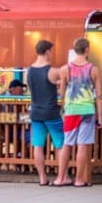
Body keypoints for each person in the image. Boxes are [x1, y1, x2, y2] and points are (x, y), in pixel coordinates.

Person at [54, 37, 102, 188]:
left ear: (74, 49)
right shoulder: (94, 69)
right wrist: (100, 117)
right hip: (88, 110)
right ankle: (79, 179)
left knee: (67, 144)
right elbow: (99, 95)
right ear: (87, 50)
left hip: (71, 110)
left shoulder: (64, 69)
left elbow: (62, 93)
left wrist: (64, 105)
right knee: (82, 145)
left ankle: (61, 177)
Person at [26, 41, 64, 186]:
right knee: (60, 144)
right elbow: (63, 85)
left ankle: (42, 178)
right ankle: (61, 176)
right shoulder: (52, 71)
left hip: (35, 112)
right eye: (51, 51)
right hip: (51, 112)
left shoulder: (30, 70)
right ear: (48, 51)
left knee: (38, 145)